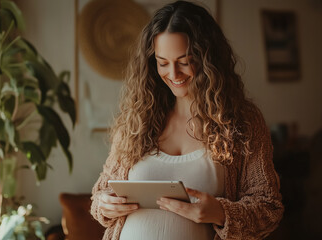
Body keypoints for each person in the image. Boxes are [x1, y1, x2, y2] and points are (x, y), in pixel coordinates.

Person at [90, 1, 284, 239]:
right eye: (162, 63)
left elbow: (269, 207)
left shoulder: (242, 122)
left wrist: (221, 213)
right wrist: (104, 204)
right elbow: (101, 193)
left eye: (184, 61)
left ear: (207, 58)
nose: (173, 74)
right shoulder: (136, 120)